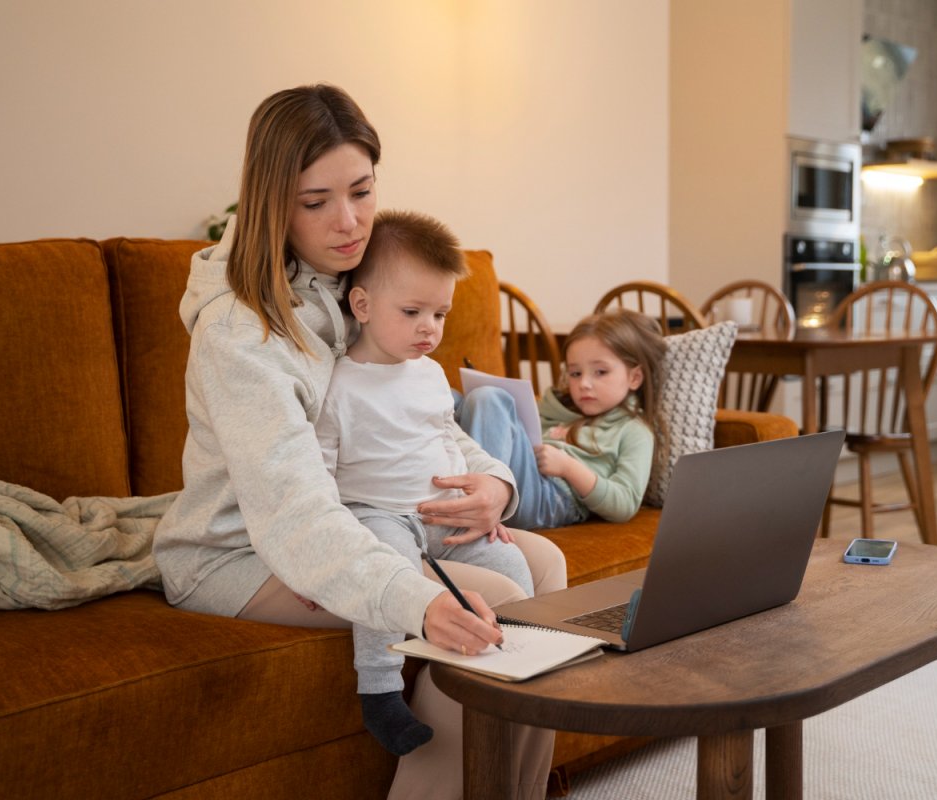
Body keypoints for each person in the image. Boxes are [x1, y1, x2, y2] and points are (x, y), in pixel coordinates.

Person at [152, 84, 565, 800]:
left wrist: (499, 484)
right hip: (241, 548)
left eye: (362, 191)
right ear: (271, 201)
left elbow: (422, 414)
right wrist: (403, 593)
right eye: (315, 202)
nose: (348, 223)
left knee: (549, 567)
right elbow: (292, 510)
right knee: (496, 607)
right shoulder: (239, 335)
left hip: (363, 513)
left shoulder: (356, 286)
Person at [317, 208, 534, 756]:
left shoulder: (431, 374)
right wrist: (316, 551)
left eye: (439, 313)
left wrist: (488, 492)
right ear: (361, 305)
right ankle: (381, 692)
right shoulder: (339, 383)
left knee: (510, 563)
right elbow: (316, 468)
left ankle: (526, 658)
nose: (429, 329)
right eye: (412, 311)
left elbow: (447, 436)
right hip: (376, 515)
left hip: (442, 515)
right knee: (382, 572)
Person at [459, 310, 667, 529]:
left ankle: (480, 503)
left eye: (600, 372)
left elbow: (625, 503)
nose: (584, 383)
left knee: (489, 398)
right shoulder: (556, 409)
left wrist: (568, 468)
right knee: (454, 399)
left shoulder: (634, 430)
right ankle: (473, 496)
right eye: (575, 374)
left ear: (634, 377)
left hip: (555, 498)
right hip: (521, 483)